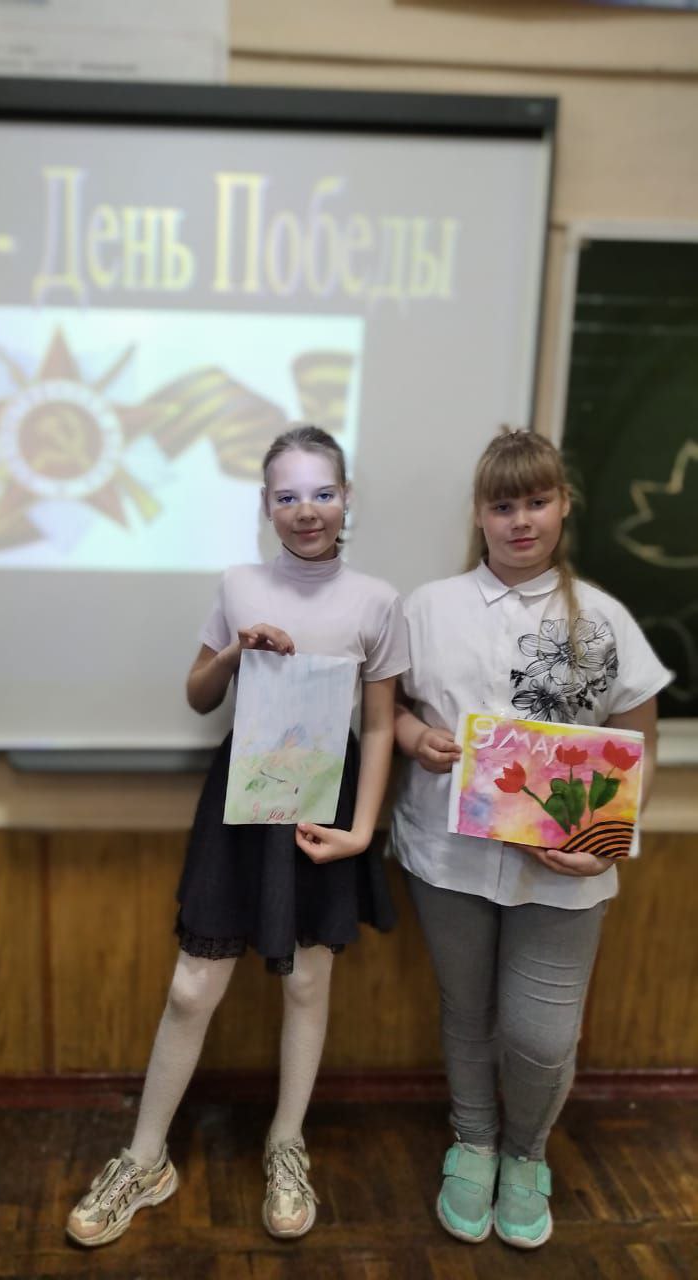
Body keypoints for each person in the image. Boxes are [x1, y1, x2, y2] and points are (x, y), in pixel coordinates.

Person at [66, 424, 408, 1247]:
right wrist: (233, 651)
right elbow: (197, 695)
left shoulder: (377, 600)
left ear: (346, 497)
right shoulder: (238, 584)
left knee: (306, 985)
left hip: (323, 802)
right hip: (241, 798)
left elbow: (379, 724)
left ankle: (286, 1145)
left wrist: (361, 832)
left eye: (321, 493)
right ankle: (145, 1160)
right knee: (192, 987)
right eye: (287, 496)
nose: (305, 510)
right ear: (264, 504)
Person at [390, 428, 672, 1250]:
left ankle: (525, 1152)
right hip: (447, 855)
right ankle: (474, 1143)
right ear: (479, 515)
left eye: (537, 502)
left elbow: (638, 742)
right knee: (466, 1012)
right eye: (502, 505)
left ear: (563, 506)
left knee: (539, 1035)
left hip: (564, 868)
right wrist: (413, 738)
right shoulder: (427, 608)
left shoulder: (604, 618)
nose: (520, 521)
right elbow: (387, 710)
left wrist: (607, 837)